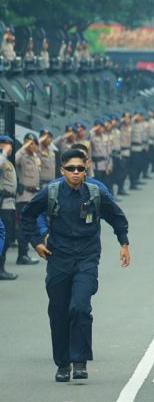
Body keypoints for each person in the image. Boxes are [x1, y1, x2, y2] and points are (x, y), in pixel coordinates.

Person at [21, 148, 130, 383]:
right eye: (71, 169)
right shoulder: (50, 192)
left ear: (86, 168)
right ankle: (63, 364)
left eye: (80, 168)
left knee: (80, 306)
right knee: (58, 312)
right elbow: (28, 215)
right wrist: (37, 242)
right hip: (58, 257)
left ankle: (79, 360)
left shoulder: (96, 191)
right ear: (62, 170)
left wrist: (124, 242)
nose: (76, 173)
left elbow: (117, 216)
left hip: (87, 257)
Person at [15, 133, 42, 265]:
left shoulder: (36, 157)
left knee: (31, 224)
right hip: (24, 195)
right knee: (23, 226)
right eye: (29, 143)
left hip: (34, 196)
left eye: (33, 143)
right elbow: (14, 159)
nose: (32, 146)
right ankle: (22, 255)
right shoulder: (21, 156)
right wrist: (23, 147)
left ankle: (26, 253)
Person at [0, 135, 18, 280]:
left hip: (10, 203)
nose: (9, 147)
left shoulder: (7, 162)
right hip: (3, 204)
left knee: (8, 236)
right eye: (6, 144)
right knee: (3, 236)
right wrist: (3, 152)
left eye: (9, 145)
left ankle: (2, 267)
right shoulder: (2, 158)